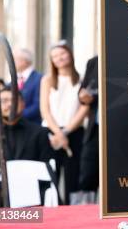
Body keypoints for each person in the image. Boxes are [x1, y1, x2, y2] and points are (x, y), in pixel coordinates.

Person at [0, 86, 55, 207]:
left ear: (23, 104)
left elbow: (47, 167)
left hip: (32, 191)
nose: (10, 104)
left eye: (15, 99)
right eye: (4, 101)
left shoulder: (39, 133)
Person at [40, 41, 89, 204]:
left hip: (74, 132)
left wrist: (66, 132)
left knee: (72, 176)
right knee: (50, 176)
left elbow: (85, 108)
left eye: (62, 54)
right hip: (51, 133)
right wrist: (58, 133)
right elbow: (45, 110)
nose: (59, 58)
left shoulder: (82, 79)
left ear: (70, 54)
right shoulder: (47, 80)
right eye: (54, 56)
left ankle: (70, 210)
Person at [77, 55, 98, 198]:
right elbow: (82, 91)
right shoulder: (93, 62)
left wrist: (94, 97)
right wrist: (83, 96)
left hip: (119, 128)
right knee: (87, 173)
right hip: (94, 128)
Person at [13, 48, 43, 124]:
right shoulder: (13, 80)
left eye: (14, 59)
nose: (11, 62)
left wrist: (16, 115)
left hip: (32, 126)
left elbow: (38, 105)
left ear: (24, 61)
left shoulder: (40, 79)